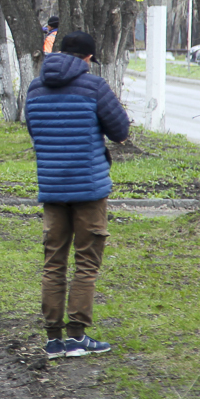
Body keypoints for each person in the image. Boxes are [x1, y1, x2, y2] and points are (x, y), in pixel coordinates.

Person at [23, 29, 129, 359]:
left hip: (53, 188)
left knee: (53, 263)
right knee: (86, 261)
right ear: (86, 58)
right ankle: (77, 337)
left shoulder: (35, 87)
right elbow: (120, 130)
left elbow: (33, 130)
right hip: (89, 188)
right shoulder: (93, 86)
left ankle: (53, 339)